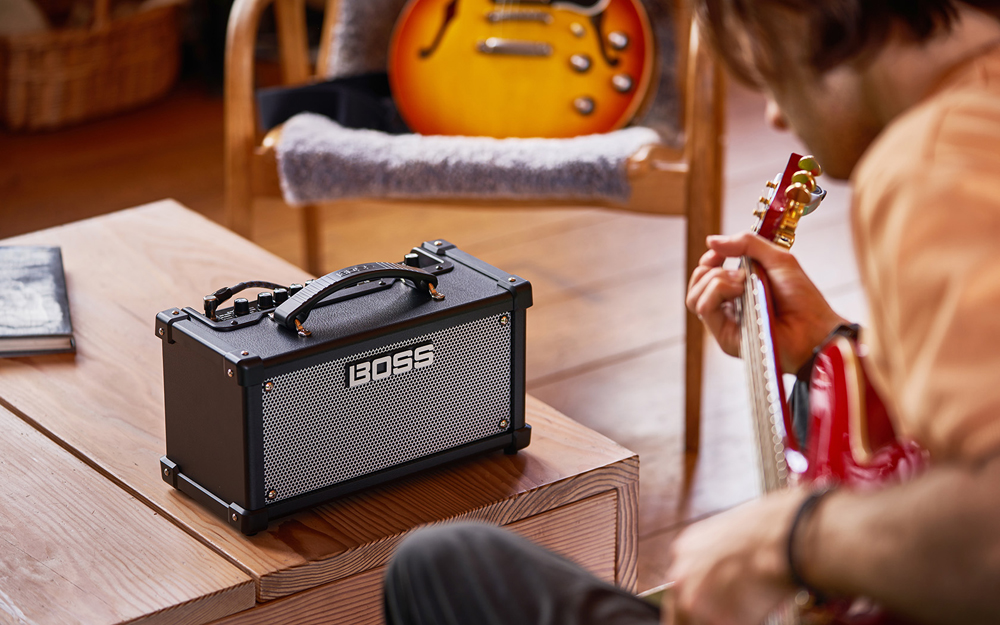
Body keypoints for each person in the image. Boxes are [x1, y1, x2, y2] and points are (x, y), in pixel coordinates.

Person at [382, 1, 1000, 623]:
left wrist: (786, 539)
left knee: (438, 564)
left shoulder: (933, 163)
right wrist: (831, 345)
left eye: (770, 70)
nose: (776, 114)